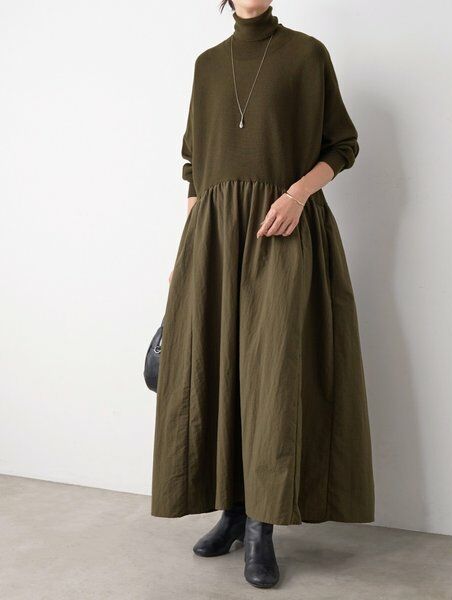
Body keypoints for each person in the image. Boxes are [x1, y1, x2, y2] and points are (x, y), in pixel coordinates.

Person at [151, 0, 374, 589]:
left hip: (283, 232)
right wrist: (185, 257)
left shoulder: (306, 55)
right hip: (214, 241)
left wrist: (298, 194)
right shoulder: (207, 65)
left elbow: (342, 145)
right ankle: (232, 512)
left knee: (272, 379)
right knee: (220, 373)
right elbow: (195, 170)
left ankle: (262, 528)